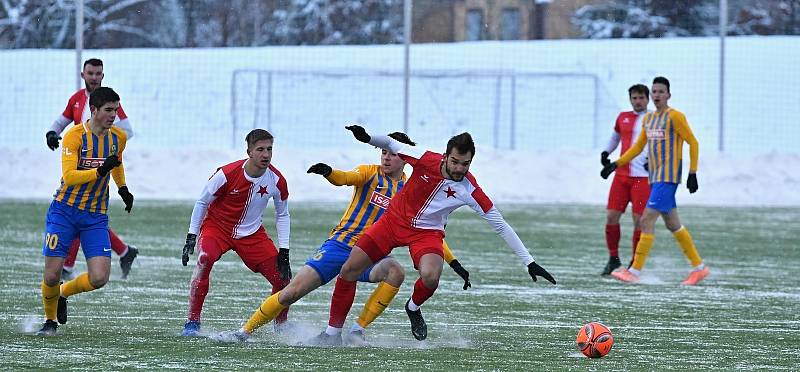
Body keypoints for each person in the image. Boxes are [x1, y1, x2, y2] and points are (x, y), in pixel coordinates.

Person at [214, 132, 472, 345]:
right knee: (292, 291)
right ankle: (243, 332)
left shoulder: (411, 190)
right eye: (384, 153)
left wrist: (453, 262)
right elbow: (347, 178)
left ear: (405, 159)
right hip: (341, 245)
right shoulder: (369, 173)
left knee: (395, 271)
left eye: (393, 154)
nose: (387, 158)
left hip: (371, 254)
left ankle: (357, 331)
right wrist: (329, 172)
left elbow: (428, 233)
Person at [327, 126, 555, 341]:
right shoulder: (426, 159)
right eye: (455, 162)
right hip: (392, 222)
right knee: (349, 269)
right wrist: (367, 138)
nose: (459, 169)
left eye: (465, 164)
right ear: (445, 156)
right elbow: (391, 143)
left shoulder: (470, 189)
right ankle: (332, 333)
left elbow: (501, 225)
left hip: (426, 234)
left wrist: (529, 262)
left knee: (431, 276)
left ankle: (413, 307)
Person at [37, 87, 134, 336]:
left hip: (95, 217)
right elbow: (69, 177)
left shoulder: (118, 138)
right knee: (51, 274)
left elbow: (116, 164)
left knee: (99, 277)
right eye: (108, 110)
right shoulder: (74, 137)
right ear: (94, 110)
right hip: (64, 212)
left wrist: (123, 188)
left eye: (115, 109)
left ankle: (62, 293)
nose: (114, 115)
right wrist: (101, 171)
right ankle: (50, 322)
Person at [179, 129, 292, 337]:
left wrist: (284, 251)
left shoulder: (277, 180)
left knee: (283, 280)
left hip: (252, 235)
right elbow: (202, 201)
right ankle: (192, 322)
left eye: (269, 149)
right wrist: (191, 236)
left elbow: (282, 215)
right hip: (217, 228)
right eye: (260, 149)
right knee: (205, 259)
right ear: (248, 151)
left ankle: (281, 323)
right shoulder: (226, 173)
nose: (265, 154)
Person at [601, 76, 710, 285]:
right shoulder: (649, 120)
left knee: (646, 219)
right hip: (655, 177)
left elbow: (693, 142)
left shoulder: (675, 116)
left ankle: (634, 271)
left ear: (669, 94)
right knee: (673, 224)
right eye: (655, 92)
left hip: (668, 178)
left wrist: (693, 172)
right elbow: (638, 147)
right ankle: (699, 268)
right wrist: (616, 164)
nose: (657, 95)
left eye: (661, 91)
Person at [46, 58, 138, 280]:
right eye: (91, 73)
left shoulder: (110, 103)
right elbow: (62, 120)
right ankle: (123, 251)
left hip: (99, 170)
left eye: (98, 74)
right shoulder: (77, 100)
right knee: (77, 211)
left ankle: (69, 267)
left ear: (103, 76)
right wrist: (51, 132)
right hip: (78, 164)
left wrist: (106, 143)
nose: (94, 77)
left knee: (86, 215)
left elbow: (126, 131)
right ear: (83, 75)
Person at [599, 84, 651, 275]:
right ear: (630, 99)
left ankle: (634, 264)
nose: (638, 101)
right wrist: (606, 152)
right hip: (621, 177)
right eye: (634, 98)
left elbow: (662, 144)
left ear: (648, 99)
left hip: (642, 179)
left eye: (641, 98)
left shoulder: (654, 119)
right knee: (612, 216)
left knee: (639, 221)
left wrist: (654, 161)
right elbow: (614, 138)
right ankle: (613, 259)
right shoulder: (623, 117)